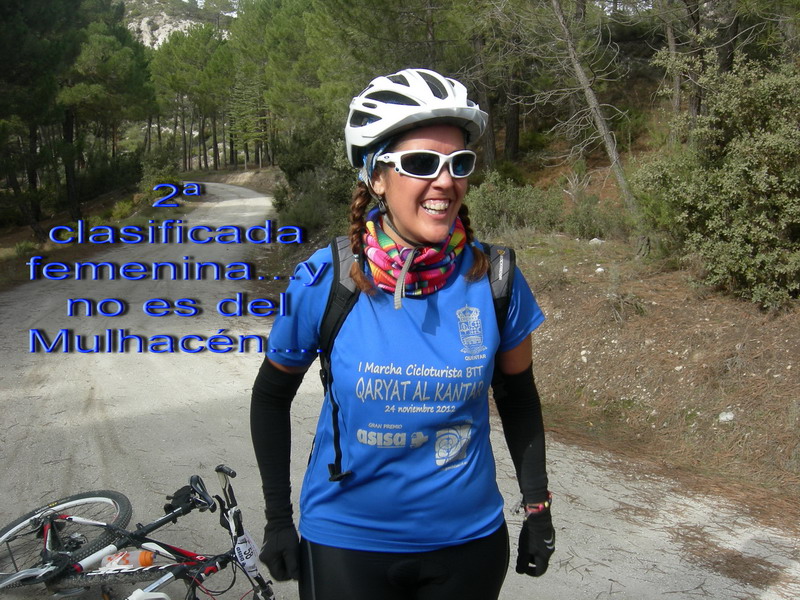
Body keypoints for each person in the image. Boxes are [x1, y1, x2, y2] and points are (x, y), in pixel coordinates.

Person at [251, 68, 555, 600]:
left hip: (468, 545)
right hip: (347, 544)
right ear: (375, 176)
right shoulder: (327, 280)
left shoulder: (495, 279)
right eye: (420, 164)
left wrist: (537, 505)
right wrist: (278, 518)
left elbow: (519, 398)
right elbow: (271, 397)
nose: (446, 182)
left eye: (459, 163)